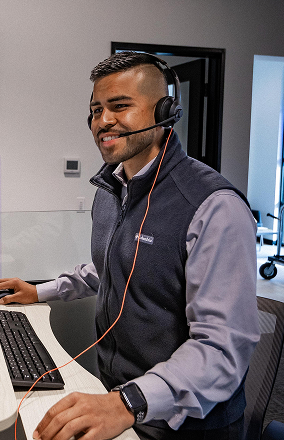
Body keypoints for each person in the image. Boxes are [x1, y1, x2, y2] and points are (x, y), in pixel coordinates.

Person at [0, 52, 260, 440]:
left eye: (120, 106)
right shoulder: (111, 190)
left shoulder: (213, 207)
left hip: (185, 424)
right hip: (119, 400)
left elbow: (223, 348)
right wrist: (41, 290)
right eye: (95, 110)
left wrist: (128, 403)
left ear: (166, 111)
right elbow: (108, 265)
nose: (103, 121)